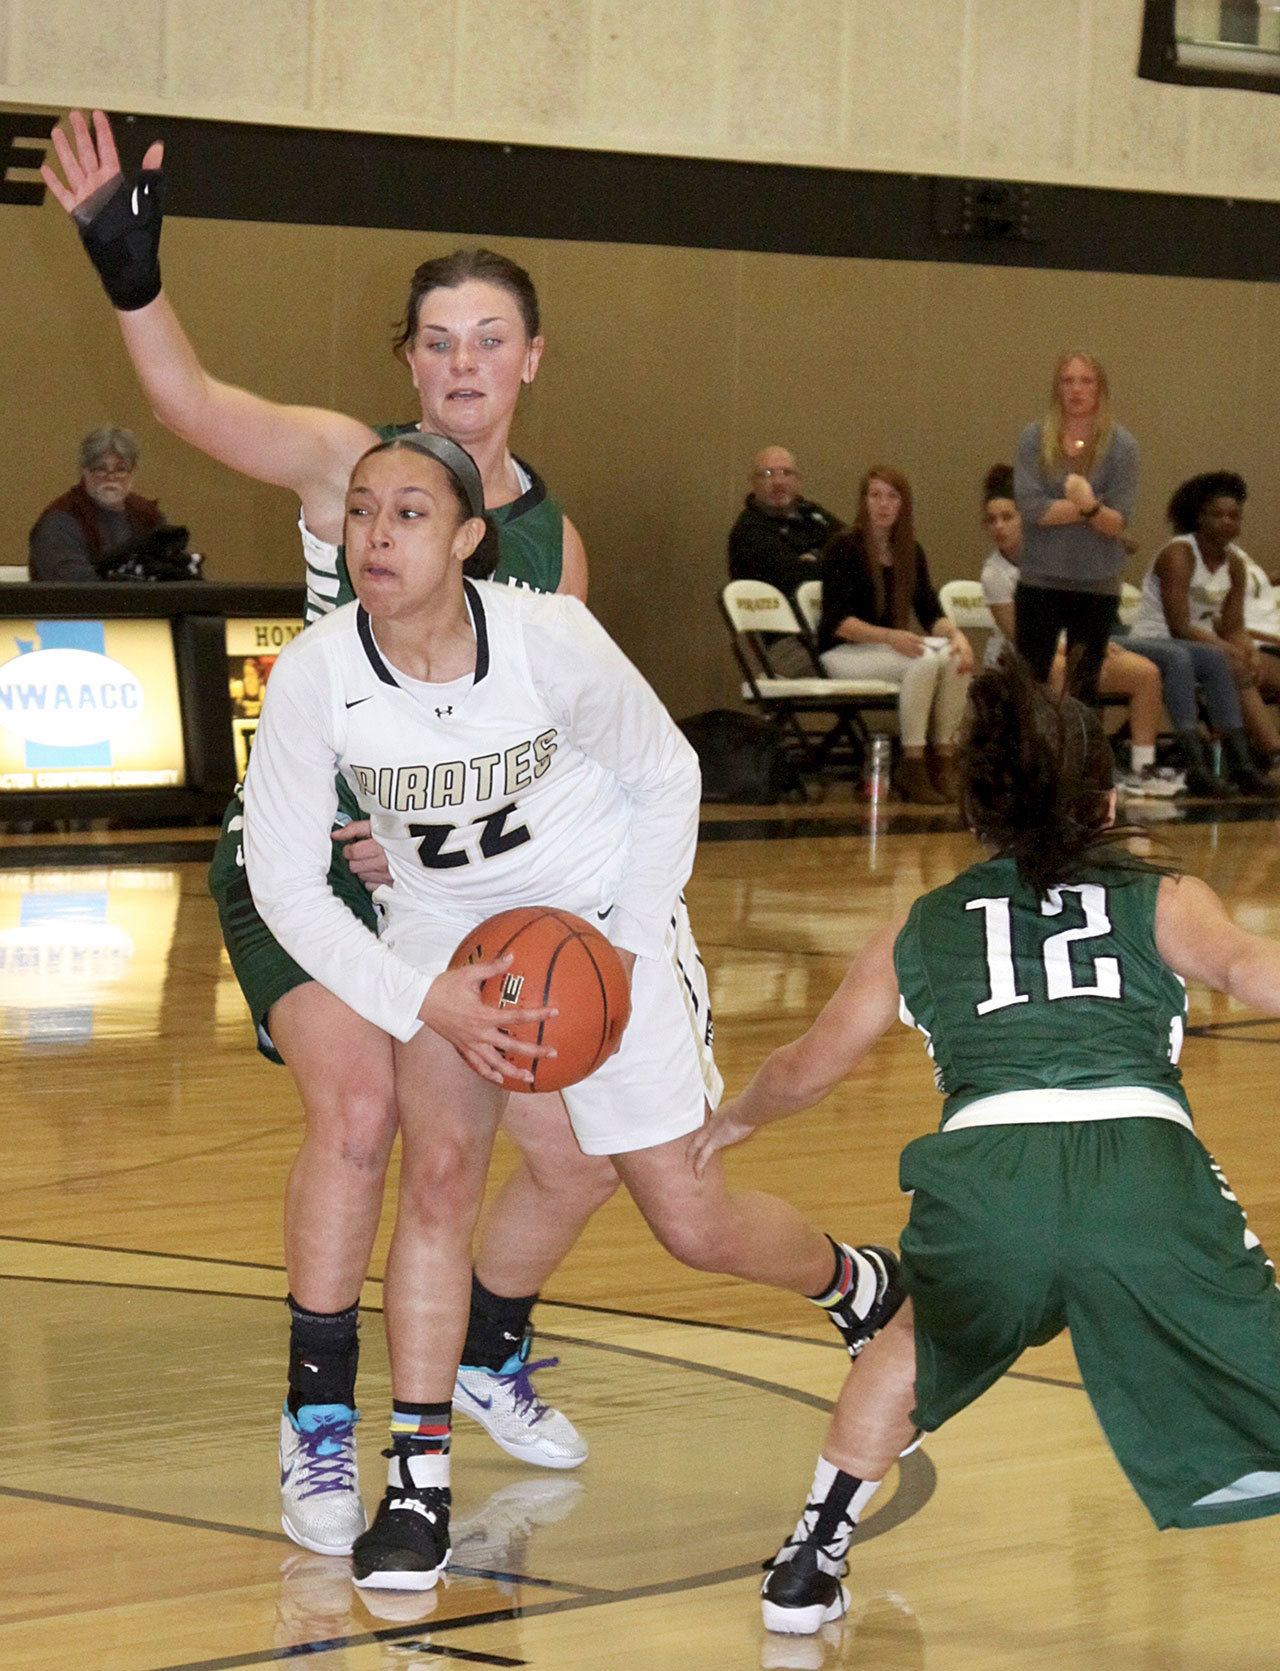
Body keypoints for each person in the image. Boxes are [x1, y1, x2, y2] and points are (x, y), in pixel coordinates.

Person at [42, 109, 605, 1558]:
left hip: (445, 880)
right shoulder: (349, 460)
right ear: (408, 360)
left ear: (532, 360)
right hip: (304, 863)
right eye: (439, 338)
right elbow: (187, 401)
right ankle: (315, 1428)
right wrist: (128, 267)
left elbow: (555, 744)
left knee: (560, 1146)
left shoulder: (554, 542)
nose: (464, 362)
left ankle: (482, 1347)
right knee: (358, 1122)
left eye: (490, 338)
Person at [243, 432, 905, 1589]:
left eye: (407, 514)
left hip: (600, 922)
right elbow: (284, 882)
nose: (377, 536)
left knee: (686, 1219)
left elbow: (666, 778)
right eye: (359, 513)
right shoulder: (315, 673)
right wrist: (421, 999)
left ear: (464, 539)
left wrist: (626, 944)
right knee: (438, 1180)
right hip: (444, 938)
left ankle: (856, 1284)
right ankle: (417, 1482)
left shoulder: (545, 639)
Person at [692, 654, 1280, 1637]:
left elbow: (806, 1066)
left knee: (910, 1343)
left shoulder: (915, 929)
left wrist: (736, 1118)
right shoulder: (1160, 896)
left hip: (984, 1184)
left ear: (976, 813)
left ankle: (806, 1558)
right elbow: (1255, 971)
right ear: (1103, 802)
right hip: (1139, 1175)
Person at [978, 464, 1177, 798]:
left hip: (1074, 647)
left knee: (1145, 673)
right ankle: (1060, 766)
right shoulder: (995, 574)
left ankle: (1141, 767)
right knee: (1059, 669)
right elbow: (1023, 639)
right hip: (1022, 660)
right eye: (992, 520)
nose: (999, 526)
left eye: (1007, 517)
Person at [817, 466, 973, 804]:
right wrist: (889, 637)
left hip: (884, 648)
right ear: (863, 501)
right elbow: (837, 622)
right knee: (924, 661)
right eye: (875, 495)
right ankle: (912, 762)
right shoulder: (843, 547)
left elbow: (929, 610)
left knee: (953, 655)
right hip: (842, 652)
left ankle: (944, 756)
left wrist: (956, 635)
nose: (883, 505)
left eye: (892, 496)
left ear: (903, 504)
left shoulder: (910, 551)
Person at [1125, 472, 1274, 795]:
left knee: (1228, 660)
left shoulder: (1235, 564)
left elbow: (1233, 626)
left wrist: (1247, 650)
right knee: (1207, 657)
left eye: (1234, 516)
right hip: (1153, 640)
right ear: (1199, 517)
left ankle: (1243, 764)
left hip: (1201, 648)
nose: (1227, 522)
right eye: (1218, 515)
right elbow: (1178, 626)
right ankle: (1198, 762)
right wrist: (1228, 649)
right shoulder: (1178, 554)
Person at [1013, 350, 1138, 702]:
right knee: (1030, 686)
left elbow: (1117, 522)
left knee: (1084, 687)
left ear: (1100, 390)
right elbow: (1033, 508)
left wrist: (1089, 505)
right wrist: (1089, 509)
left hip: (1096, 584)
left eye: (1086, 381)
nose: (1076, 390)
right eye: (1068, 381)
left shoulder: (1122, 447)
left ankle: (1081, 757)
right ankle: (1030, 757)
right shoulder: (1034, 439)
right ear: (1057, 389)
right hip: (1040, 580)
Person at [727, 447, 843, 676]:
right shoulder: (749, 532)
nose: (778, 482)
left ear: (798, 480)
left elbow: (855, 556)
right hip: (789, 647)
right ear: (753, 483)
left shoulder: (814, 516)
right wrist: (827, 562)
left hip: (835, 635)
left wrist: (816, 560)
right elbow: (795, 578)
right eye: (768, 474)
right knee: (906, 666)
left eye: (786, 473)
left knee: (921, 662)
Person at [28, 425, 168, 581]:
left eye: (121, 469)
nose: (111, 477)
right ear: (85, 470)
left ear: (133, 472)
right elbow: (72, 586)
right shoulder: (59, 521)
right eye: (101, 468)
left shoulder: (148, 516)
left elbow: (173, 571)